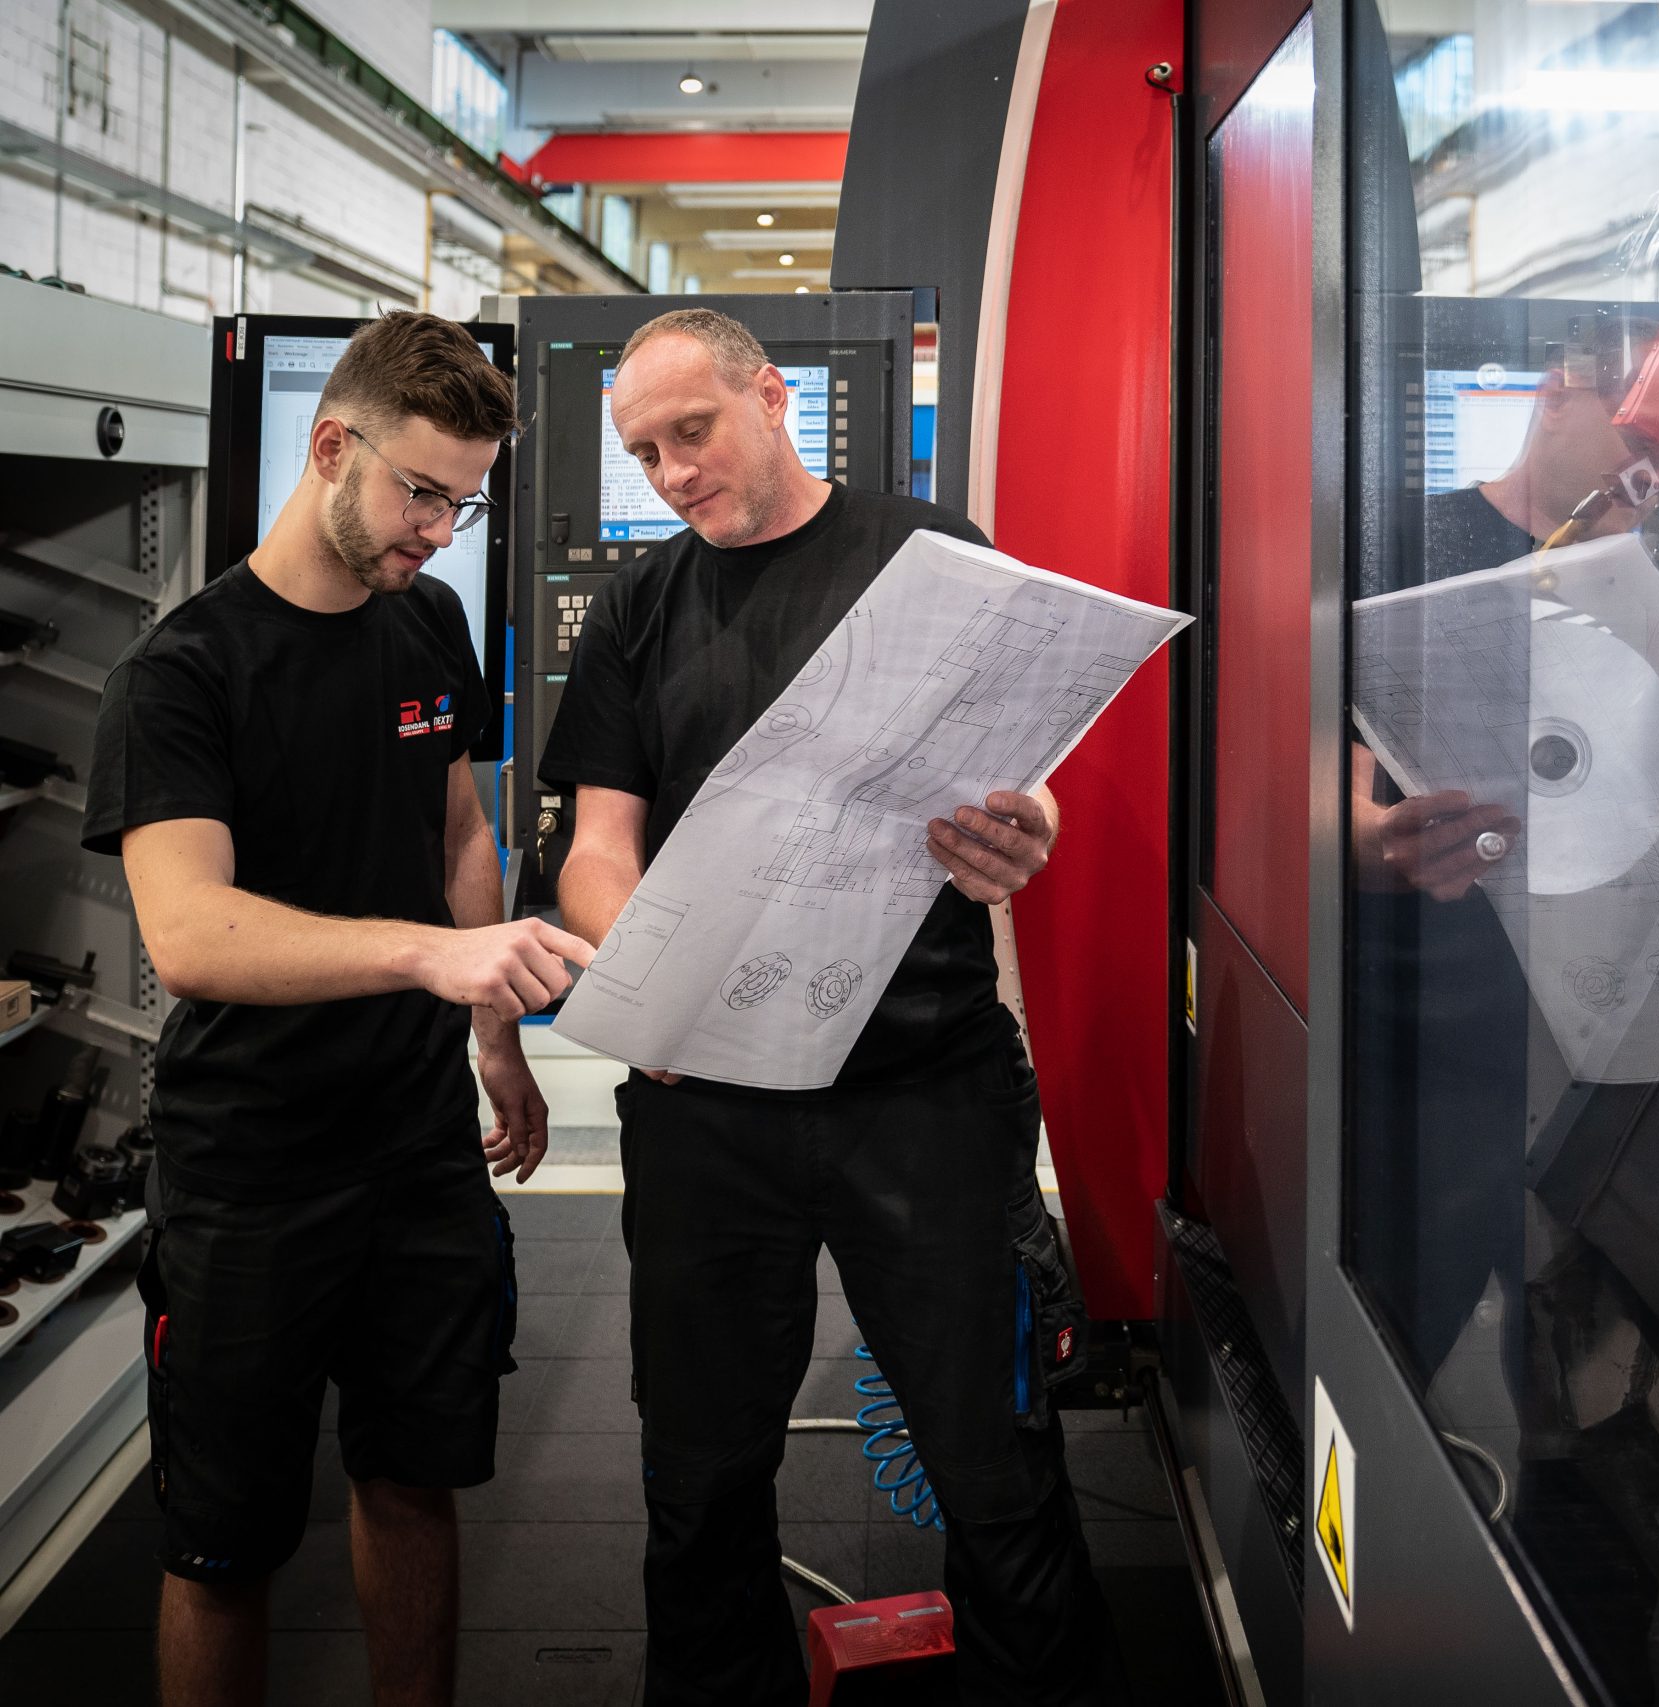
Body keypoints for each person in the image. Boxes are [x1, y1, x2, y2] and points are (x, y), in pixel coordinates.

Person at [540, 307, 1128, 1707]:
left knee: (990, 1457)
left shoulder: (936, 562)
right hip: (706, 1103)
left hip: (921, 1089)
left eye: (693, 430)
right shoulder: (639, 607)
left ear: (774, 395)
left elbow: (1018, 782)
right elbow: (595, 849)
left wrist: (1024, 830)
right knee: (700, 1467)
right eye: (645, 453)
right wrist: (650, 984)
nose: (674, 471)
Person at [83, 310, 589, 1707]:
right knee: (223, 1538)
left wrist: (495, 1036)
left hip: (415, 1146)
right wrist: (429, 963)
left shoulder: (424, 621)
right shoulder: (184, 675)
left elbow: (461, 832)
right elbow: (189, 933)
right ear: (329, 448)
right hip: (250, 1164)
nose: (442, 526)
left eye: (465, 497)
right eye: (422, 490)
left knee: (418, 1476)